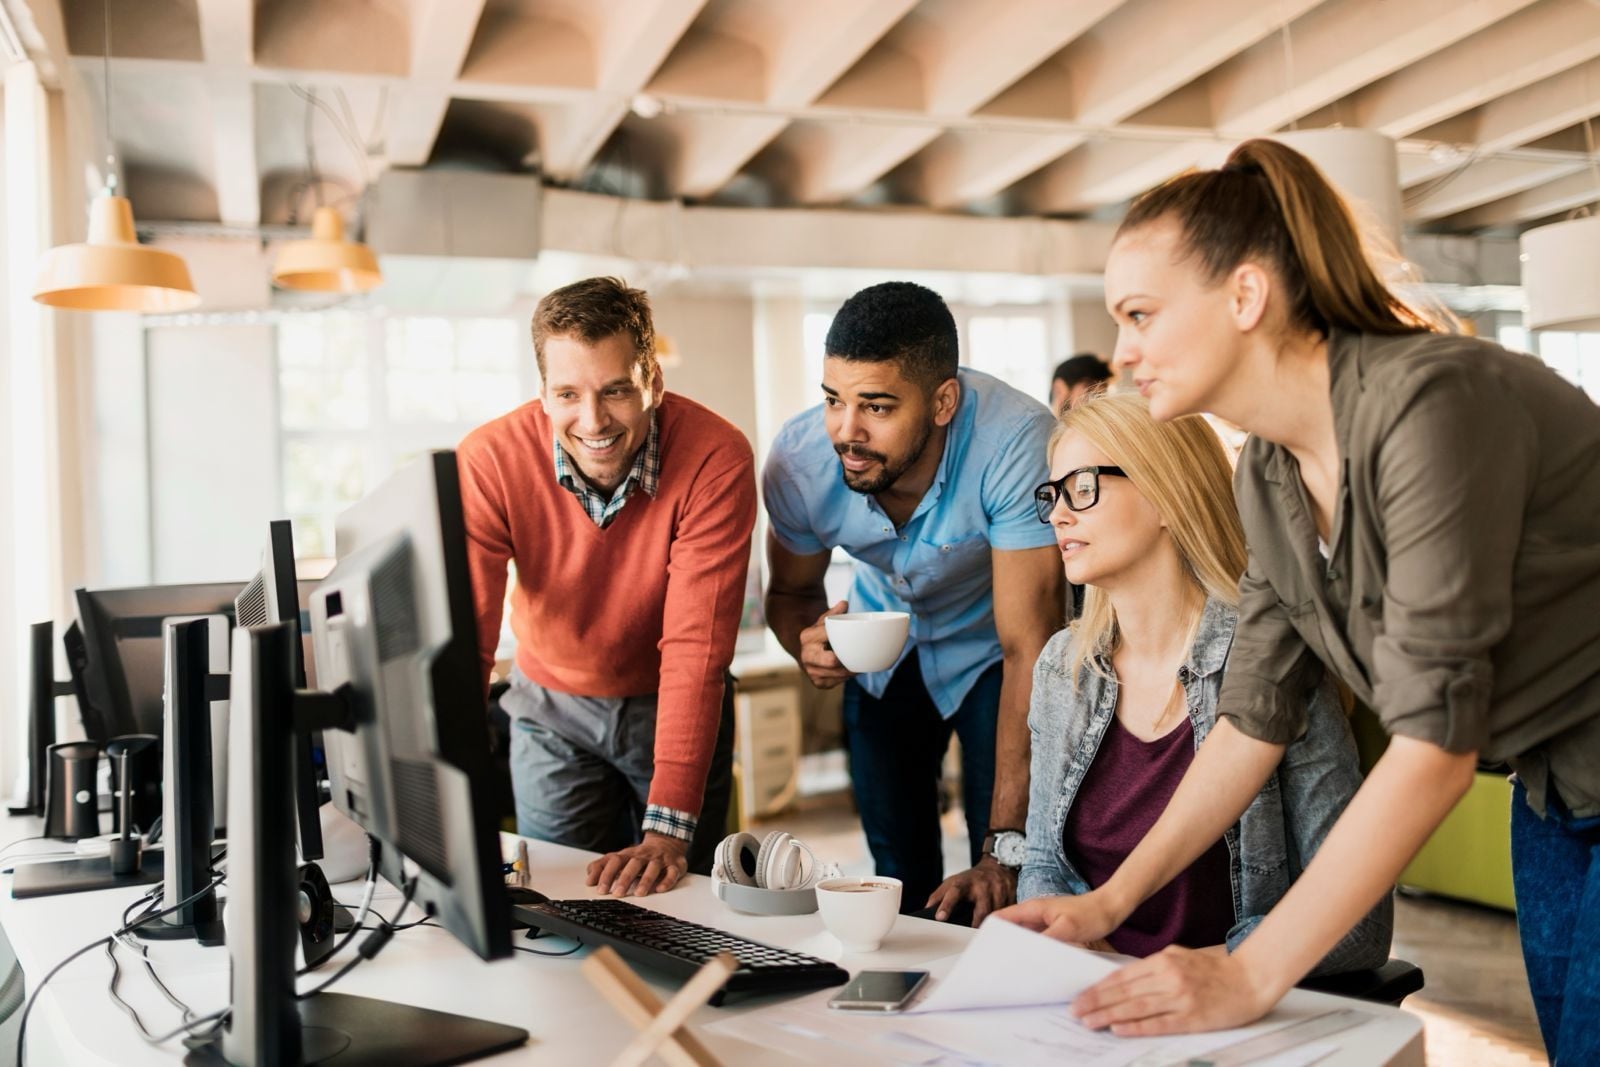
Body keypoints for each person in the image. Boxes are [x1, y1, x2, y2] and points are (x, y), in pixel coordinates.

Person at [995, 139, 1600, 1060]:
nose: (1122, 351)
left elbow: (1436, 744)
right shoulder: (1271, 474)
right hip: (1556, 786)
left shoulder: (1429, 409)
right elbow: (1253, 717)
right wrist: (1108, 903)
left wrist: (1246, 972)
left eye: (1142, 314)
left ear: (1245, 297)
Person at [1018, 391, 1389, 973]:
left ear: (1168, 495)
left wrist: (1208, 972)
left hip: (1231, 1004)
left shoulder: (1268, 659)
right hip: (1094, 1000)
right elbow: (1043, 864)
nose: (1060, 514)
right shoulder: (1063, 667)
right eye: (1053, 495)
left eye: (1083, 488)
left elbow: (1359, 922)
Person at [764, 281, 1064, 924]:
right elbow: (791, 593)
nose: (847, 431)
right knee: (898, 875)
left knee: (1005, 872)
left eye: (876, 407)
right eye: (833, 401)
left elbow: (1029, 646)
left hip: (995, 656)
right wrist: (805, 644)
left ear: (942, 402)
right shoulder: (798, 461)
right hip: (882, 656)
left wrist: (1001, 850)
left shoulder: (1016, 442)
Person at [457, 276, 757, 898]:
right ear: (542, 392)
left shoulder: (715, 457)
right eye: (568, 393)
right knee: (558, 903)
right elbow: (469, 643)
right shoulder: (489, 460)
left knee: (681, 904)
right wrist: (434, 796)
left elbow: (694, 647)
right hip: (552, 712)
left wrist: (669, 830)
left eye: (616, 390)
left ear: (653, 379)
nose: (593, 420)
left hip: (672, 707)